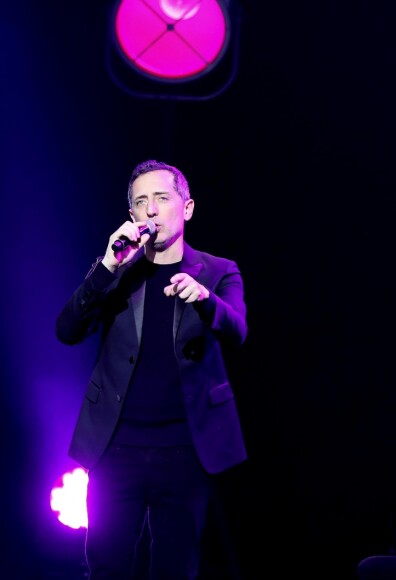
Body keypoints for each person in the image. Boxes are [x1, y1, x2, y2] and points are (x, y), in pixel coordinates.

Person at [56, 159, 248, 579]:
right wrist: (106, 267)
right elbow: (67, 330)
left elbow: (237, 330)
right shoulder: (117, 270)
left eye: (162, 198)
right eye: (141, 202)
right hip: (115, 449)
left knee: (176, 568)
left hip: (185, 450)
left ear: (187, 207)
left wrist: (205, 300)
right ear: (132, 216)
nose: (151, 210)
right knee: (106, 566)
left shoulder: (218, 271)